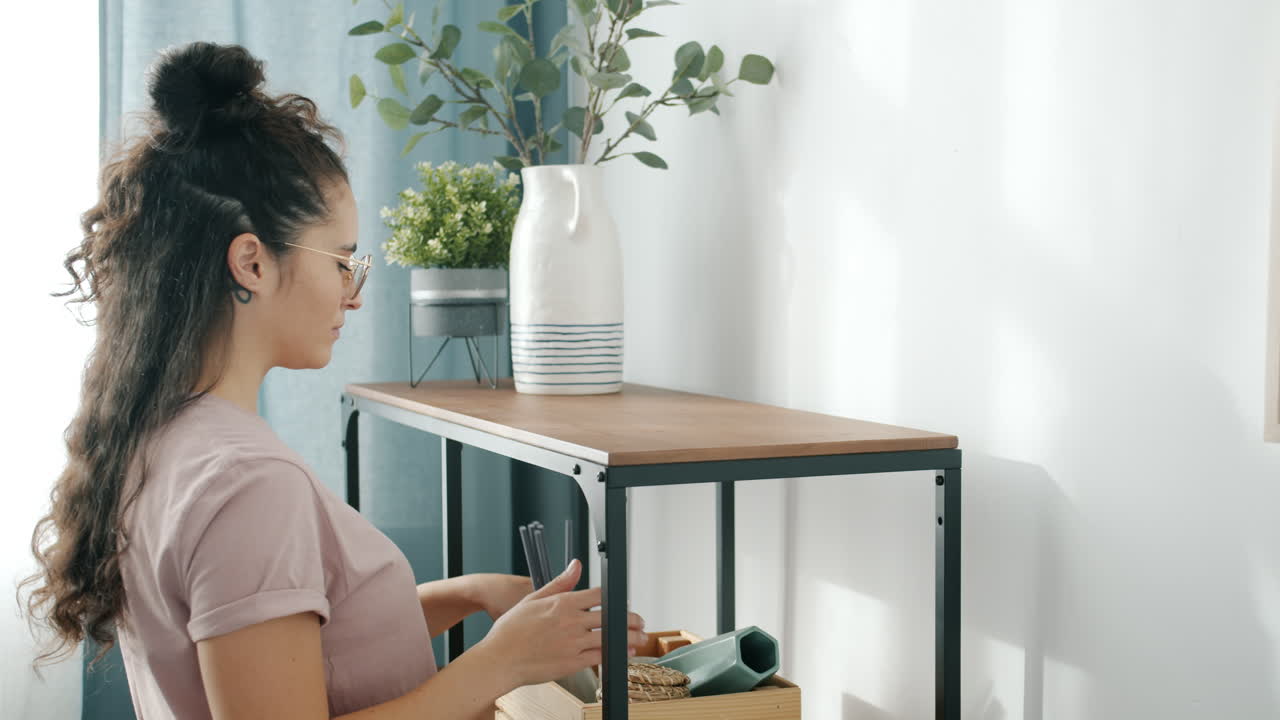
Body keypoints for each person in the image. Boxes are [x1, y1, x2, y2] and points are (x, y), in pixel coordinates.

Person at [19, 41, 646, 720]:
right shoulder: (245, 485)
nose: (353, 293)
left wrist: (466, 594)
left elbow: (283, 642)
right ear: (251, 264)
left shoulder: (162, 439)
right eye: (341, 261)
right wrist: (500, 663)